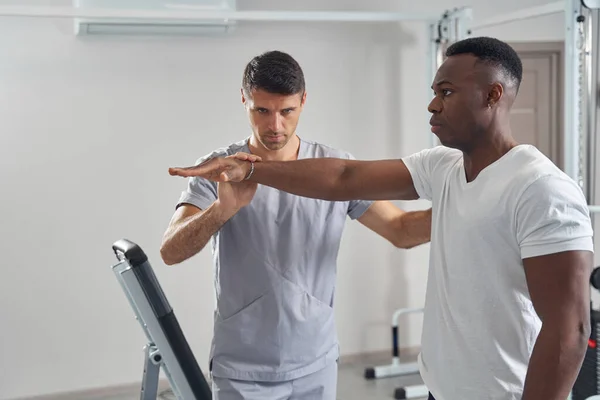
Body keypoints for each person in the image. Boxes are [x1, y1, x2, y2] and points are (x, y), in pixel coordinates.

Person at [169, 37, 595, 400]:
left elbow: (570, 332)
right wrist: (236, 190)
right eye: (262, 111)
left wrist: (254, 171)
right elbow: (344, 177)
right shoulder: (445, 168)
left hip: (479, 386)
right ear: (245, 102)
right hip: (426, 385)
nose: (432, 104)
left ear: (493, 95)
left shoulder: (540, 189)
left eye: (445, 92)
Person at [160, 50, 432, 400]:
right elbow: (170, 251)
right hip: (241, 367)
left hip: (314, 362)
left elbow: (401, 229)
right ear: (244, 100)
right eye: (262, 111)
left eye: (286, 111)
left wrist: (467, 209)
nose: (275, 126)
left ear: (303, 101)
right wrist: (220, 210)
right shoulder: (219, 170)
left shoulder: (335, 170)